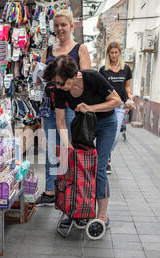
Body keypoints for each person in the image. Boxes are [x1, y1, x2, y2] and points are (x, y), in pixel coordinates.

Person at [43, 55, 122, 227]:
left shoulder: (93, 77)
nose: (57, 86)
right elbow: (60, 121)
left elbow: (117, 101)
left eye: (60, 83)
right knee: (78, 166)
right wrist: (68, 146)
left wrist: (90, 108)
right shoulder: (59, 90)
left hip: (106, 125)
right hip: (84, 126)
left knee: (99, 168)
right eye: (55, 83)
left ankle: (102, 216)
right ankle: (79, 210)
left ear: (73, 76)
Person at [35, 9, 92, 207]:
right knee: (52, 147)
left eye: (63, 25)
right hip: (50, 106)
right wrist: (37, 78)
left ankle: (71, 187)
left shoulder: (80, 49)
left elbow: (85, 79)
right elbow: (40, 78)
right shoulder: (48, 51)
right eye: (57, 25)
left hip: (71, 107)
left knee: (70, 147)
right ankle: (50, 190)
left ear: (71, 26)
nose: (60, 29)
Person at [99, 42, 134, 174]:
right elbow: (100, 89)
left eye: (116, 53)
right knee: (108, 134)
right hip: (107, 105)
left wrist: (130, 97)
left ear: (119, 53)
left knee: (115, 137)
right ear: (108, 54)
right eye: (111, 53)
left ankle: (105, 154)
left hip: (120, 106)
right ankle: (106, 160)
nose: (114, 55)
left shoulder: (126, 69)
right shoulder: (103, 70)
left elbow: (127, 87)